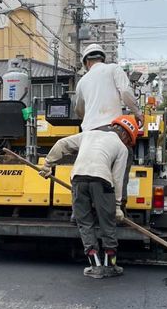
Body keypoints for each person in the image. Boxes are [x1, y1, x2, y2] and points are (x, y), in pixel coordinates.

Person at [40, 115, 139, 279]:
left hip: (78, 179)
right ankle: (110, 265)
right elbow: (118, 178)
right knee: (107, 223)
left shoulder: (89, 134)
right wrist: (116, 206)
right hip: (103, 182)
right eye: (129, 140)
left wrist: (47, 165)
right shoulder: (121, 147)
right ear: (126, 135)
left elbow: (61, 144)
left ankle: (96, 267)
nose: (128, 144)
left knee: (85, 223)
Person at [74, 43, 142, 203]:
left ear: (86, 63)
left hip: (89, 134)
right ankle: (119, 206)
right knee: (123, 158)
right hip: (112, 132)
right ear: (102, 58)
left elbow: (79, 110)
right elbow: (125, 92)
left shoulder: (82, 82)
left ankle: (78, 212)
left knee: (85, 169)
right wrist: (137, 113)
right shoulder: (113, 69)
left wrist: (90, 116)